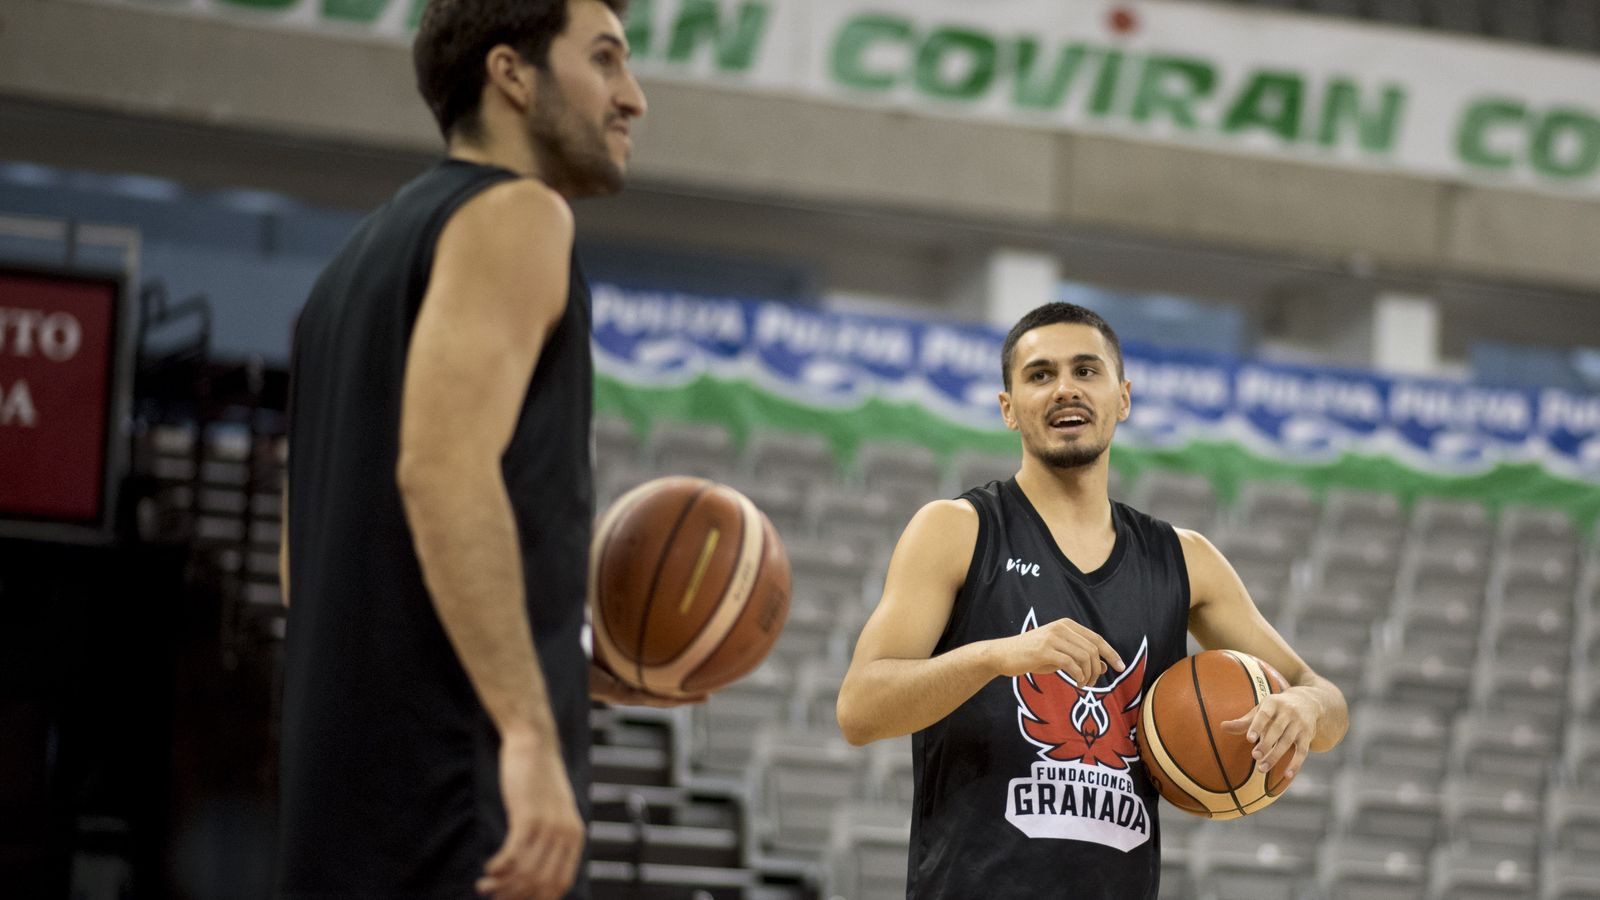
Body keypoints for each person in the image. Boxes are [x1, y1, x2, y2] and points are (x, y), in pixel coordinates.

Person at [276, 2, 689, 898]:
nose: (635, 98)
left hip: (344, 811)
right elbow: (442, 471)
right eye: (607, 60)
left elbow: (306, 569)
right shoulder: (519, 216)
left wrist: (553, 657)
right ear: (512, 74)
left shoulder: (345, 275)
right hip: (463, 804)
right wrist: (529, 732)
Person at [835, 302, 1348, 898]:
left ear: (1122, 397)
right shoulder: (955, 530)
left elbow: (1325, 701)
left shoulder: (1184, 560)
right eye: (1039, 375)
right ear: (1008, 409)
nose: (1065, 390)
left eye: (1086, 370)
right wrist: (996, 656)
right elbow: (859, 710)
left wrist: (1307, 708)